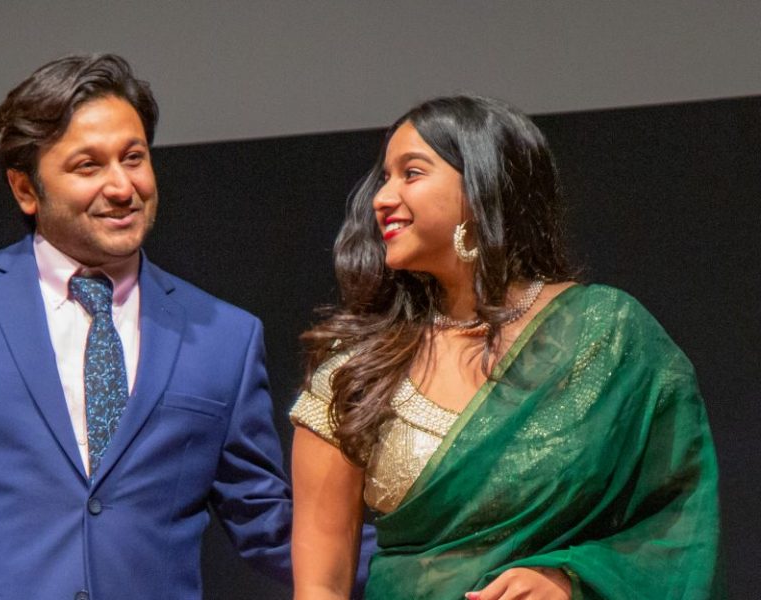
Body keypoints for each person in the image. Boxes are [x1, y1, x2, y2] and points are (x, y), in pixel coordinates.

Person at [290, 95, 721, 599]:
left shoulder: (609, 333)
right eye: (384, 178)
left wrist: (569, 580)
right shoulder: (359, 366)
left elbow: (676, 523)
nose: (382, 198)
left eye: (411, 173)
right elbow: (320, 585)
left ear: (480, 187)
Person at [0, 54, 292, 600]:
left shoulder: (224, 337)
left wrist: (441, 571)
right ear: (25, 189)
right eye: (88, 166)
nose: (122, 187)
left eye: (133, 158)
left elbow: (268, 524)